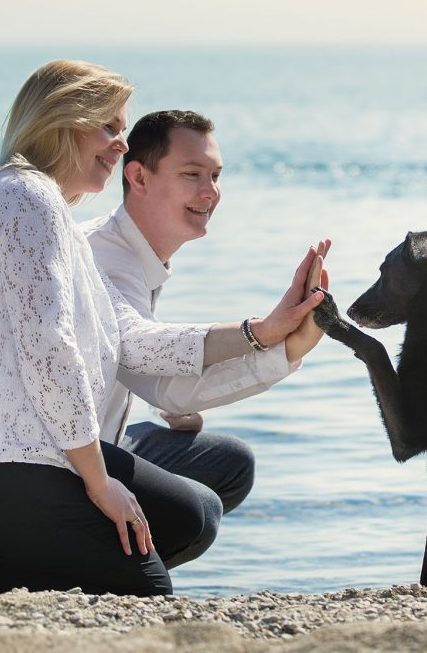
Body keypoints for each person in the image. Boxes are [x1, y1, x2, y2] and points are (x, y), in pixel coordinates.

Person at [0, 60, 328, 597]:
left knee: (196, 510)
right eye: (109, 127)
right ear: (62, 121)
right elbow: (52, 353)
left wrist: (274, 339)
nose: (121, 145)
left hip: (17, 454)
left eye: (122, 130)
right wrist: (100, 483)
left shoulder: (49, 211)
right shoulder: (27, 199)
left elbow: (130, 349)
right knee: (153, 581)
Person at [83, 111, 311, 559]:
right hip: (67, 454)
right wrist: (263, 335)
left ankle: (112, 560)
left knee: (229, 462)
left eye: (215, 175)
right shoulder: (102, 256)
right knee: (196, 514)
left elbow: (153, 379)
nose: (210, 192)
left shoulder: (138, 257)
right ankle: (101, 569)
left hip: (110, 435)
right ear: (138, 177)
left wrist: (289, 348)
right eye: (192, 174)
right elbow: (140, 344)